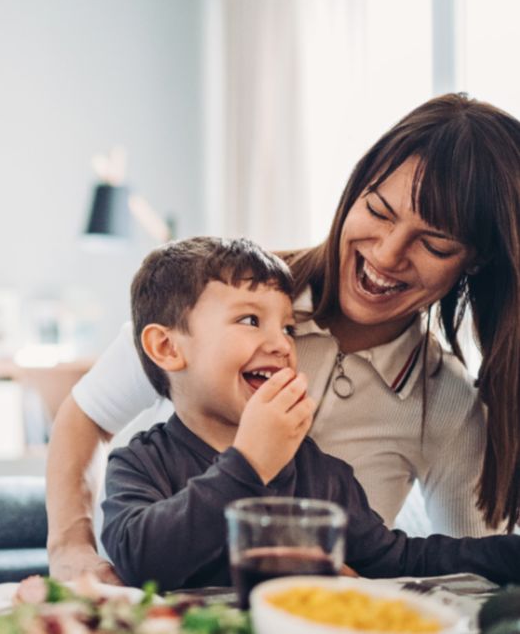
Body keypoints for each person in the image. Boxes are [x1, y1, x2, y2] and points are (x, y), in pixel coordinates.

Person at [48, 93, 520, 583]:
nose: (387, 253)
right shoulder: (234, 294)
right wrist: (71, 550)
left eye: (434, 244)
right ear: (354, 191)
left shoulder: (441, 405)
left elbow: (458, 581)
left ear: (475, 261)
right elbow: (86, 416)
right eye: (379, 211)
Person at [101, 236, 520, 590]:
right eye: (250, 319)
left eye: (287, 327)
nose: (283, 345)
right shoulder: (140, 463)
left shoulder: (319, 472)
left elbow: (398, 557)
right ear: (168, 348)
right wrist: (249, 463)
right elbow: (142, 561)